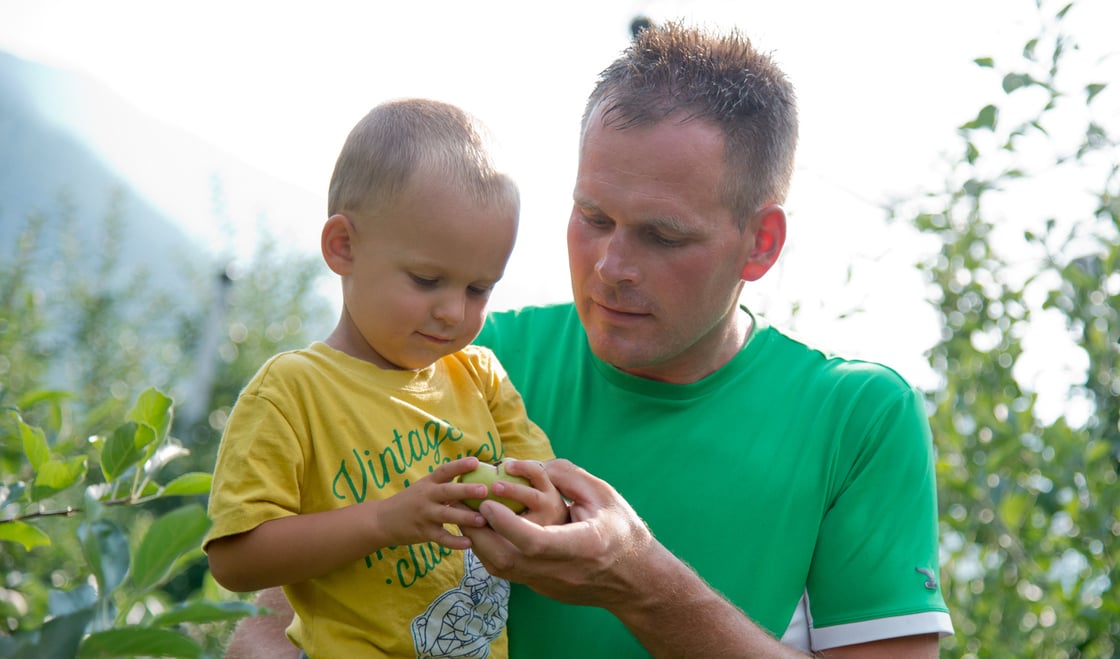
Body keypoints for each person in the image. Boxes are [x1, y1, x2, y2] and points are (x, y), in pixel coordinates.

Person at [229, 20, 954, 658]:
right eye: (593, 216)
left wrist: (641, 582)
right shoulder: (461, 362)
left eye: (663, 235)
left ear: (760, 244)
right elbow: (277, 614)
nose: (611, 266)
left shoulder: (855, 417)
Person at [203, 98, 567, 659]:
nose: (453, 311)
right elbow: (235, 560)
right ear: (343, 247)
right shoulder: (292, 393)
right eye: (427, 280)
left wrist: (543, 511)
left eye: (478, 289)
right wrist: (383, 520)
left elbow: (544, 491)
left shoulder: (481, 378)